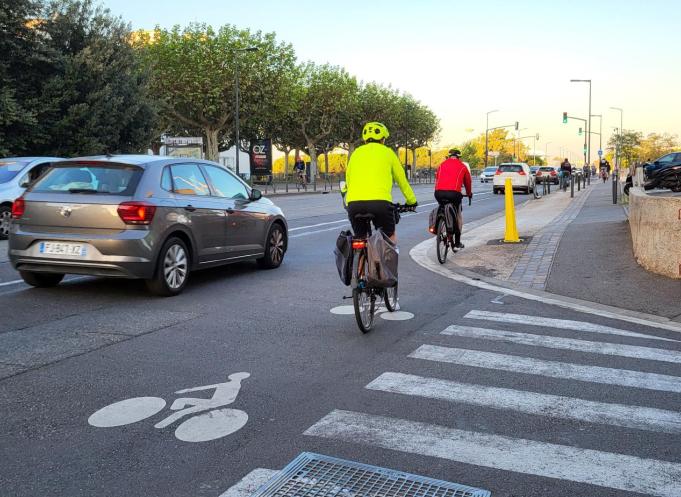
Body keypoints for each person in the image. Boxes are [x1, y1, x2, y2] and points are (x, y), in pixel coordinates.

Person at [343, 122, 417, 243]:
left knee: (360, 237)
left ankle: (358, 258)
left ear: (365, 139)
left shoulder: (356, 153)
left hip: (354, 204)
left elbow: (348, 179)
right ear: (382, 139)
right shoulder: (388, 152)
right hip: (380, 204)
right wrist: (411, 201)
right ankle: (384, 261)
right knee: (389, 235)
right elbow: (402, 180)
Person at [434, 148, 472, 251]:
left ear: (449, 156)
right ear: (459, 157)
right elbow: (468, 182)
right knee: (458, 215)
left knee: (442, 206)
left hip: (438, 193)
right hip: (454, 194)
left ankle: (440, 223)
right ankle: (457, 243)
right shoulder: (462, 166)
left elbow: (437, 179)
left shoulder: (441, 165)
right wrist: (469, 194)